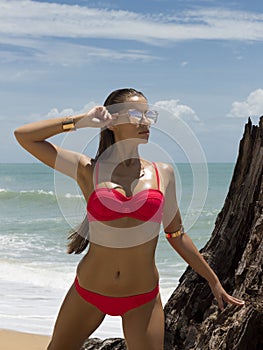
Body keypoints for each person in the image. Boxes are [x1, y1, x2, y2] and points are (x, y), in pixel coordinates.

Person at [14, 88, 244, 350]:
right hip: (89, 290)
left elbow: (176, 235)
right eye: (137, 114)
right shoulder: (88, 170)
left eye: (149, 115)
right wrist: (81, 121)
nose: (146, 122)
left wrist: (213, 280)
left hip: (142, 298)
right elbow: (24, 137)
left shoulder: (163, 173)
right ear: (112, 122)